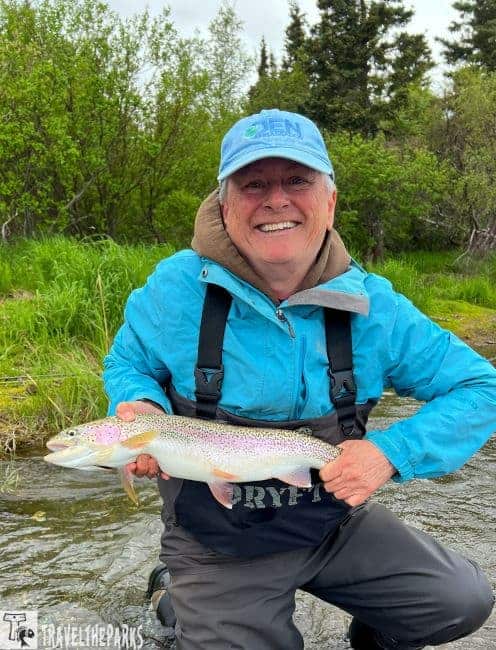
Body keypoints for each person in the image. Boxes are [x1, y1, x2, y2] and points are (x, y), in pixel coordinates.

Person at [103, 109, 495, 650]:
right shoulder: (175, 288)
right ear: (223, 204)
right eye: (254, 183)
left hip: (333, 527)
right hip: (215, 541)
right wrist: (140, 404)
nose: (276, 199)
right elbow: (129, 364)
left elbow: (480, 388)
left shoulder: (374, 307)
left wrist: (390, 453)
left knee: (460, 601)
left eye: (297, 181)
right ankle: (175, 600)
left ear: (329, 201)